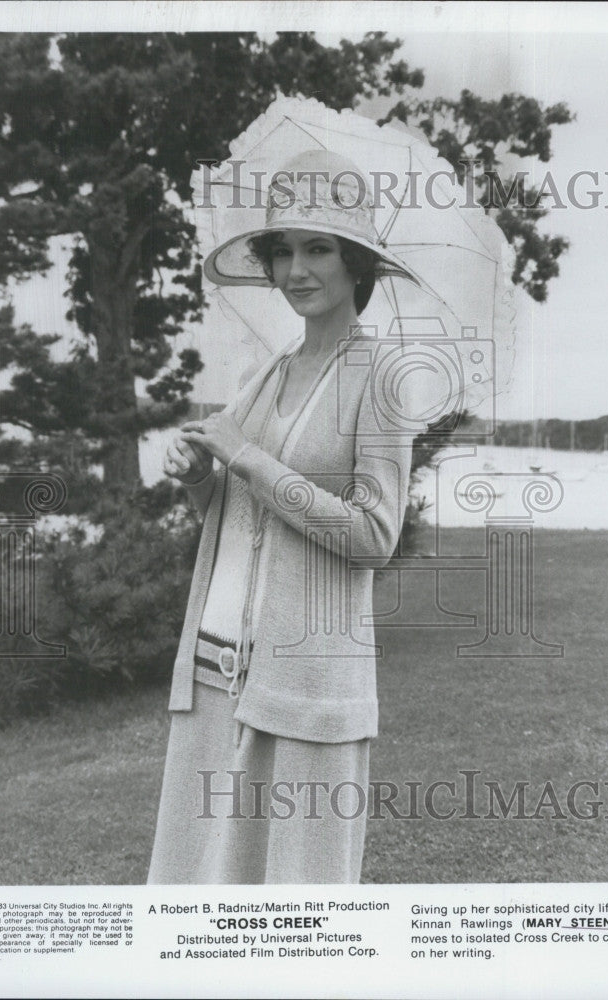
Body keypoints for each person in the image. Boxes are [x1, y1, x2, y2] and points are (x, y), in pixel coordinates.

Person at [147, 151, 420, 884]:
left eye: (318, 248)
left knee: (300, 910)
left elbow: (373, 536)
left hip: (307, 682)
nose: (296, 270)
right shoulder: (267, 373)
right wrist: (201, 477)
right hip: (215, 668)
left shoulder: (385, 377)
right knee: (197, 902)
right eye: (282, 252)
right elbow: (236, 508)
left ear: (355, 261)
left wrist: (248, 460)